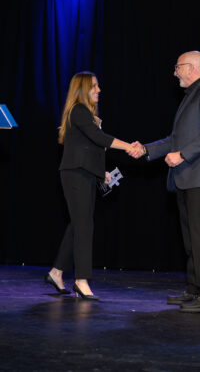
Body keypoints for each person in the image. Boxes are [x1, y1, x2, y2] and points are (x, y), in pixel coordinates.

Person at [128, 51, 200, 312]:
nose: (175, 73)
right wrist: (146, 149)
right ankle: (195, 290)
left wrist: (183, 154)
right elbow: (175, 139)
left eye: (177, 68)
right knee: (190, 238)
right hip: (187, 176)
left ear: (191, 67)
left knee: (199, 235)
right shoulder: (192, 95)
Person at [45, 71, 134, 300]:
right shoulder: (79, 110)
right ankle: (81, 280)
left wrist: (100, 173)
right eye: (94, 86)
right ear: (83, 89)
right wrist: (130, 146)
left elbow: (89, 148)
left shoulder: (85, 114)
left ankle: (56, 272)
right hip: (75, 175)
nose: (98, 90)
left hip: (83, 174)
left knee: (77, 224)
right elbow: (101, 140)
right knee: (84, 226)